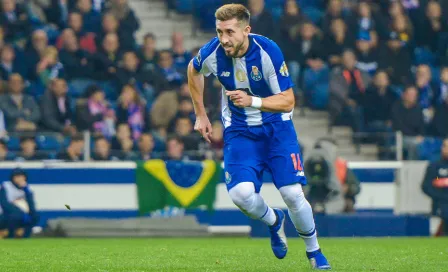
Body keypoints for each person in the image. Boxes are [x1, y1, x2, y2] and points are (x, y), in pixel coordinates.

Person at [187, 4, 330, 269]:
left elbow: (288, 101)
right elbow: (193, 70)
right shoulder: (213, 52)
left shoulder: (268, 52)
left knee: (292, 194)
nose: (224, 39)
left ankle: (314, 251)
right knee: (240, 194)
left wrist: (252, 101)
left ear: (246, 30)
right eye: (219, 31)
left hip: (277, 129)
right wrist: (201, 115)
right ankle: (274, 221)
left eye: (229, 32)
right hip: (240, 132)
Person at [0, 168, 39, 238]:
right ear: (13, 178)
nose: (20, 179)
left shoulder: (27, 189)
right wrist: (20, 212)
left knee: (35, 216)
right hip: (5, 215)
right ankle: (10, 236)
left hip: (21, 215)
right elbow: (4, 204)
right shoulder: (5, 186)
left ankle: (25, 237)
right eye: (17, 176)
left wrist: (27, 191)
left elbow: (32, 206)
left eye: (22, 176)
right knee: (15, 216)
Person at [422, 138, 448, 236]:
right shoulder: (434, 167)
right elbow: (426, 186)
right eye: (446, 146)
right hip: (439, 208)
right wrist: (441, 197)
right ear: (442, 148)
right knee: (438, 237)